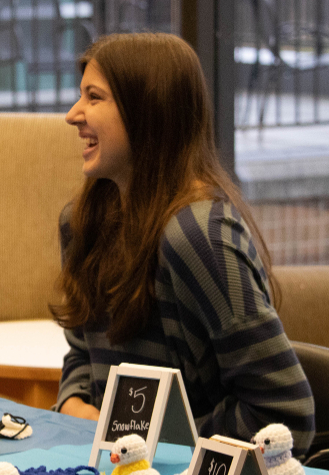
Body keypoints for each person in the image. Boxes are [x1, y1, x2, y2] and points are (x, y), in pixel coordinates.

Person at [52, 33, 315, 451]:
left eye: (94, 97)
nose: (73, 114)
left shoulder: (197, 236)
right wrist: (76, 405)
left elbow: (285, 415)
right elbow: (84, 357)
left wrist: (155, 440)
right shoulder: (82, 223)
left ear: (147, 112)